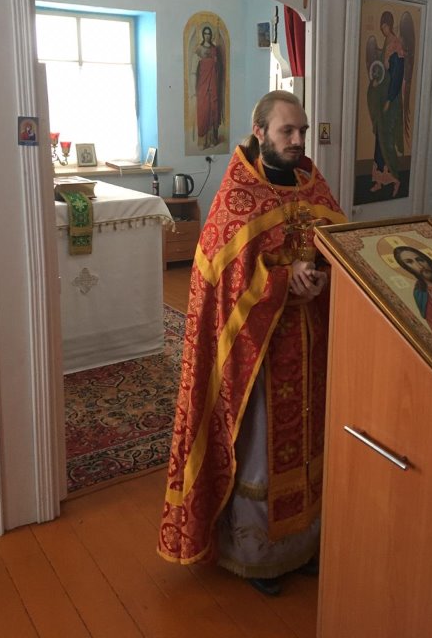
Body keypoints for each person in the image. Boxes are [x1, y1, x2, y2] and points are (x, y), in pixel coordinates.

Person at [158, 90, 345, 595]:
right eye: (287, 131)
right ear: (260, 132)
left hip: (309, 343)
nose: (298, 140)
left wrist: (323, 274)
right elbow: (224, 284)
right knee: (261, 448)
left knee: (308, 441)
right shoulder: (238, 196)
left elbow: (341, 246)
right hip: (258, 350)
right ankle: (257, 556)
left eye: (302, 131)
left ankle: (302, 544)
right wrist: (284, 281)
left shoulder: (312, 185)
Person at [367, 11, 405, 197]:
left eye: (385, 26)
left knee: (387, 141)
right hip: (383, 99)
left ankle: (395, 179)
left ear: (389, 25)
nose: (383, 30)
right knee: (379, 140)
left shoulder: (396, 46)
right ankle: (379, 180)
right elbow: (383, 72)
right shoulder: (386, 44)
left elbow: (396, 76)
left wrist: (389, 99)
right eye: (381, 27)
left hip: (391, 102)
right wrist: (376, 82)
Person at [191, 25, 223, 150]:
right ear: (203, 35)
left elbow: (219, 68)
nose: (207, 36)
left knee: (213, 109)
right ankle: (203, 141)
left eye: (209, 34)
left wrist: (216, 63)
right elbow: (194, 70)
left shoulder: (214, 49)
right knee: (204, 111)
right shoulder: (199, 50)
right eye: (205, 34)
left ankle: (212, 139)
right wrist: (193, 89)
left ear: (211, 35)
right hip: (202, 85)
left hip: (213, 85)